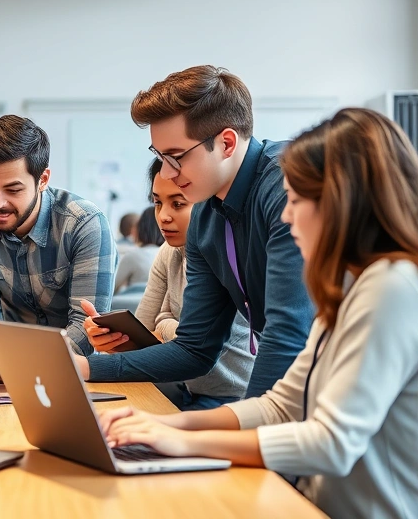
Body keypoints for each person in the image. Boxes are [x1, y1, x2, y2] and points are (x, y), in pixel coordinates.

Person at [98, 108, 418, 519]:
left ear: (343, 204)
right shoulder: (343, 294)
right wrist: (165, 426)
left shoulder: (391, 286)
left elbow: (332, 444)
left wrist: (186, 442)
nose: (286, 215)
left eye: (299, 201)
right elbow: (279, 407)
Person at [76, 65, 314, 399]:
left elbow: (288, 333)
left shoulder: (287, 185)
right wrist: (84, 368)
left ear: (226, 143)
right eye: (160, 158)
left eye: (175, 158)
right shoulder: (205, 215)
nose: (168, 174)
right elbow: (195, 349)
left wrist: (250, 429)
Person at [0, 115, 117, 384]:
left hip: (70, 374)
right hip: (3, 373)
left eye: (13, 189)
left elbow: (85, 328)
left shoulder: (85, 225)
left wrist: (23, 366)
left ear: (43, 179)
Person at [94, 160, 254, 409]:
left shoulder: (228, 256)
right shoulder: (169, 252)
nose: (164, 216)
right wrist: (112, 338)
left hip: (236, 398)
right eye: (158, 203)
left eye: (178, 204)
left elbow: (200, 343)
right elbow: (144, 330)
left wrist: (165, 323)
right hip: (188, 388)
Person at [114, 205, 163, 293]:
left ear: (141, 228)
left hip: (134, 304)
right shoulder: (172, 256)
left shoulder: (132, 255)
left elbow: (113, 289)